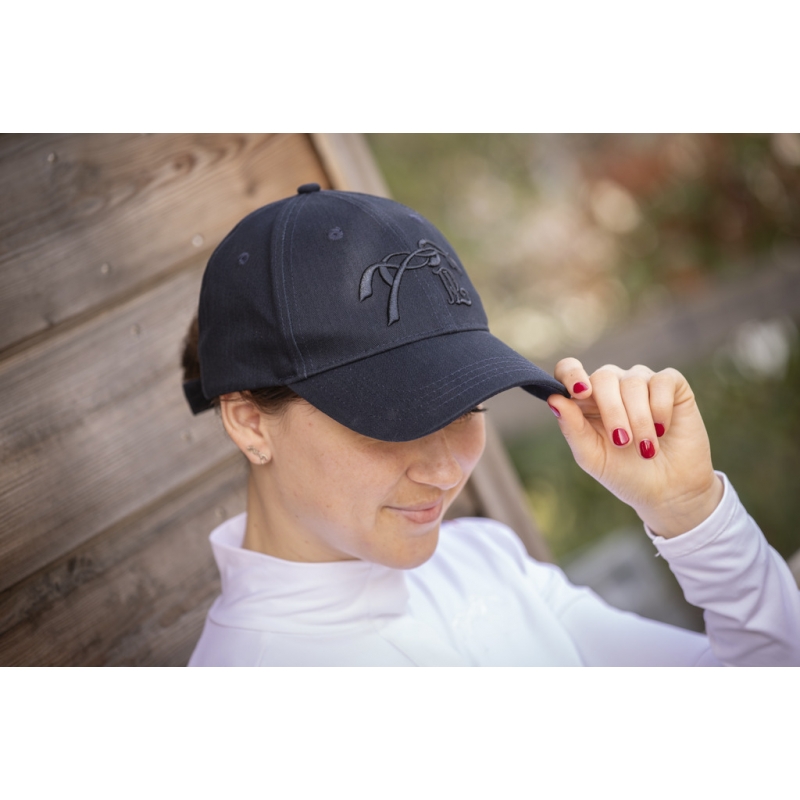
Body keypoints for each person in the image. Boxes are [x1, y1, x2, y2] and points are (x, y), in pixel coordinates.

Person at [183, 183, 800, 666]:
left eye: (466, 405)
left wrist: (693, 513)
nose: (446, 470)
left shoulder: (479, 558)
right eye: (391, 418)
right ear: (250, 422)